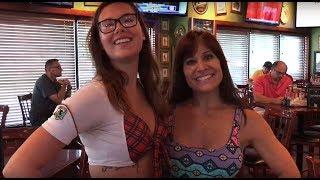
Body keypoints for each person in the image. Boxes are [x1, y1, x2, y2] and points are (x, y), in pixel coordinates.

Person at [3, 2, 170, 178]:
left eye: (128, 20)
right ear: (99, 42)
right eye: (108, 24)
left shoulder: (143, 88)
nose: (119, 28)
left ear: (143, 32)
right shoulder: (92, 96)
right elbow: (17, 168)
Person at [165, 30, 300, 178]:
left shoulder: (246, 120)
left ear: (221, 63)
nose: (201, 67)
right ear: (182, 71)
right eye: (191, 61)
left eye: (208, 57)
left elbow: (289, 172)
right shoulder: (168, 115)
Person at [29, 59, 72, 126]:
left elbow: (65, 99)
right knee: (66, 119)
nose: (61, 69)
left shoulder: (55, 81)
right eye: (58, 67)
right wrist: (64, 85)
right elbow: (58, 100)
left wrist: (69, 87)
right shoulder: (43, 81)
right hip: (40, 119)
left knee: (70, 112)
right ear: (50, 70)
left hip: (52, 115)